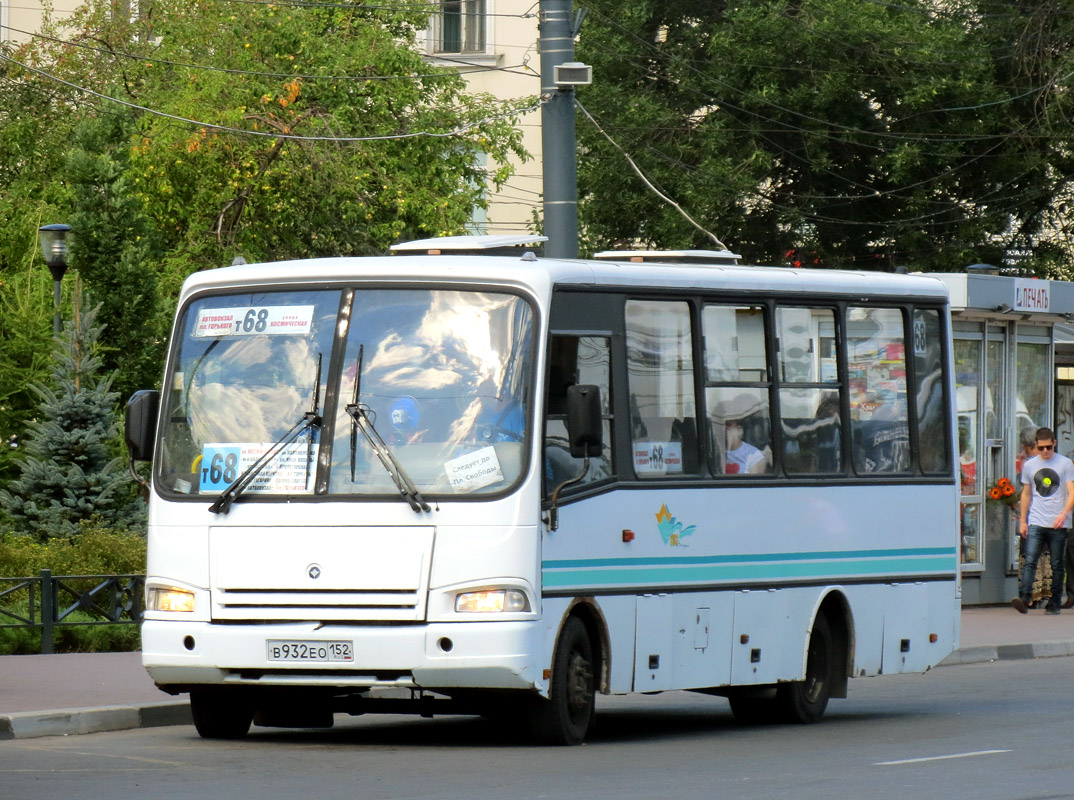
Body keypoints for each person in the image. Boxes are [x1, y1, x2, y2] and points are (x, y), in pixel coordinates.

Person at [1013, 427, 1074, 615]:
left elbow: (1072, 492)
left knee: (1057, 564)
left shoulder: (1064, 464)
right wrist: (1023, 521)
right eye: (1041, 448)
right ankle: (1024, 599)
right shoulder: (1030, 465)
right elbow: (1026, 493)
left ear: (1054, 443)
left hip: (1058, 522)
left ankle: (1054, 602)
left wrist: (1064, 514)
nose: (1045, 452)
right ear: (1036, 446)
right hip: (1037, 520)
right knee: (1030, 559)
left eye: (1049, 447)